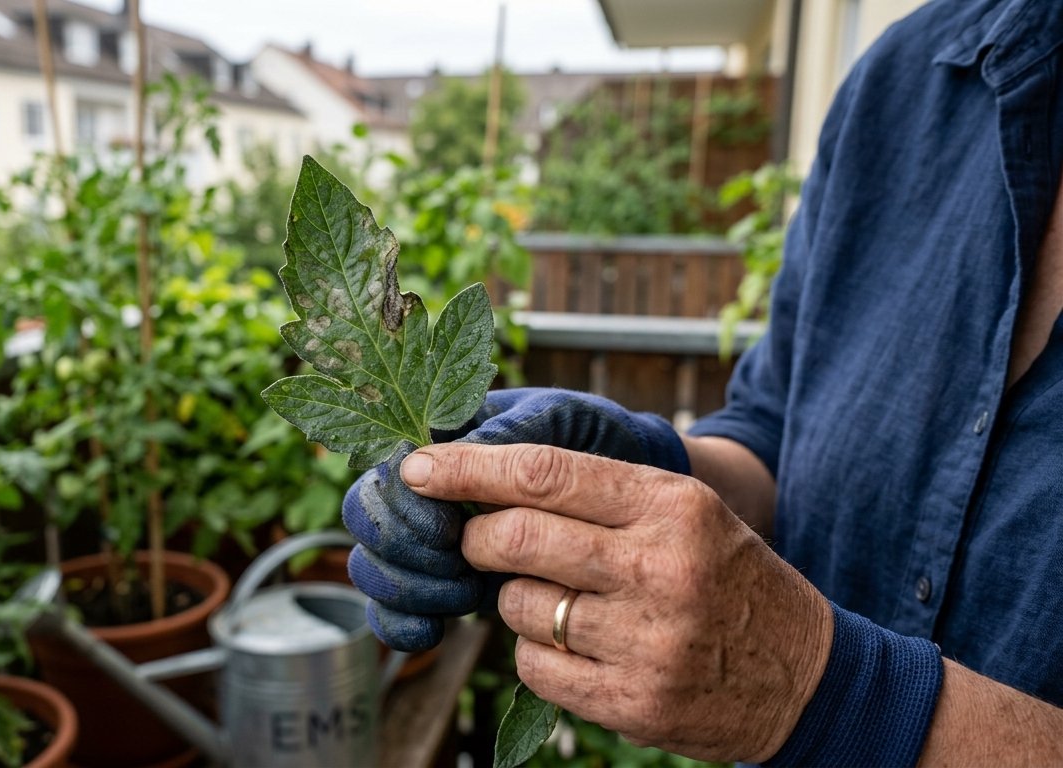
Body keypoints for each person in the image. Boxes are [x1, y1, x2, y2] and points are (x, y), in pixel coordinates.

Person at [340, 0, 1063, 764]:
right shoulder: (908, 80)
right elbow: (778, 430)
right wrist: (647, 459)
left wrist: (826, 692)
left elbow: (830, 690)